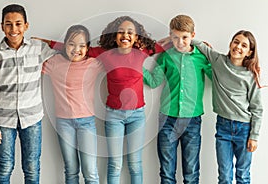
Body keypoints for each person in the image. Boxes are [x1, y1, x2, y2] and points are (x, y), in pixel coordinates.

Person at [40, 15, 165, 184]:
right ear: (114, 35)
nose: (125, 35)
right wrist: (45, 41)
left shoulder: (142, 52)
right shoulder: (106, 54)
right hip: (114, 116)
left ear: (137, 38)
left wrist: (193, 43)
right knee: (115, 164)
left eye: (130, 32)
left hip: (137, 115)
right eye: (121, 31)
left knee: (135, 164)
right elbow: (77, 47)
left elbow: (166, 46)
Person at [0, 4, 57, 184]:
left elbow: (67, 50)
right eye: (8, 24)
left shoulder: (38, 48)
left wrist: (44, 40)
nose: (13, 29)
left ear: (26, 26)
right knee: (5, 166)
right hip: (3, 121)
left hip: (32, 119)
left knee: (31, 167)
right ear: (2, 27)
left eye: (18, 24)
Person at [143, 14, 212, 184]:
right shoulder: (166, 56)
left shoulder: (201, 58)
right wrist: (135, 63)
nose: (180, 42)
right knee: (167, 172)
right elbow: (153, 81)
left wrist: (206, 50)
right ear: (170, 36)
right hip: (167, 119)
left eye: (185, 37)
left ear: (192, 36)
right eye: (175, 37)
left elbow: (219, 78)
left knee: (191, 172)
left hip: (192, 121)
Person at [192, 30, 263, 184]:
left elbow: (257, 108)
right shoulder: (218, 60)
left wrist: (254, 136)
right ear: (230, 43)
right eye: (236, 42)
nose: (238, 47)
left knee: (243, 176)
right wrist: (171, 38)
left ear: (249, 52)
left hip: (244, 129)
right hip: (223, 127)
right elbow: (194, 42)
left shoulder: (251, 75)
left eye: (244, 45)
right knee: (224, 176)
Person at [42, 25, 102, 184]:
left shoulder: (94, 64)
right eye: (71, 44)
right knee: (71, 170)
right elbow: (29, 62)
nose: (76, 49)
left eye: (82, 45)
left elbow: (112, 52)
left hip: (87, 122)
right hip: (64, 123)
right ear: (65, 44)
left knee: (90, 171)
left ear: (88, 48)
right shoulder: (54, 62)